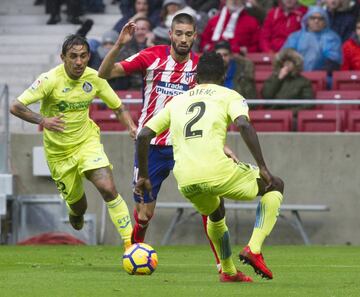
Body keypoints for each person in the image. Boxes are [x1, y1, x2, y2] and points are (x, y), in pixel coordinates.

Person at [98, 13, 236, 271]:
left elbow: (213, 106)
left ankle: (222, 264)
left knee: (212, 207)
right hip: (151, 146)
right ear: (170, 34)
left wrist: (221, 144)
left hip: (188, 145)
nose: (184, 39)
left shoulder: (199, 67)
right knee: (144, 213)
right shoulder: (152, 57)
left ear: (195, 36)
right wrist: (119, 45)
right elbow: (104, 74)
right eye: (179, 33)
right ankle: (134, 256)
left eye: (189, 34)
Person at [134, 51, 284, 282]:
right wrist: (262, 167)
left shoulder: (178, 101)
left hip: (185, 179)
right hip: (217, 171)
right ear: (223, 75)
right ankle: (254, 249)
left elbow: (143, 135)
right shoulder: (229, 95)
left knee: (215, 212)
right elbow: (243, 124)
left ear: (195, 76)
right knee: (275, 186)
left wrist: (144, 176)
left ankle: (228, 271)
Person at [9, 34, 137, 250]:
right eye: (73, 56)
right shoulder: (49, 80)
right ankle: (75, 211)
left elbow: (118, 106)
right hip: (59, 154)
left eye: (83, 56)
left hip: (87, 143)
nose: (79, 62)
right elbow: (15, 106)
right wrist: (43, 120)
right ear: (63, 57)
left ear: (89, 56)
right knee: (79, 208)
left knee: (107, 188)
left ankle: (130, 244)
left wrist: (131, 127)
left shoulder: (94, 77)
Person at [282, 6, 342, 73]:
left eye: (321, 18)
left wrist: (315, 76)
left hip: (322, 78)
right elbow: (286, 56)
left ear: (325, 22)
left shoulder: (332, 38)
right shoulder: (295, 37)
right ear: (307, 20)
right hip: (295, 76)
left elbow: (333, 62)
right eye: (313, 18)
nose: (316, 21)